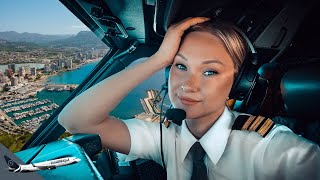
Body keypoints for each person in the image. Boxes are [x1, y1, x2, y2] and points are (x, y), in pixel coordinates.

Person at [58, 17, 320, 180]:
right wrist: (158, 59)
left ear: (240, 83)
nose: (188, 86)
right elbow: (76, 121)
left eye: (210, 71)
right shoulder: (165, 137)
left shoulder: (274, 148)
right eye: (180, 66)